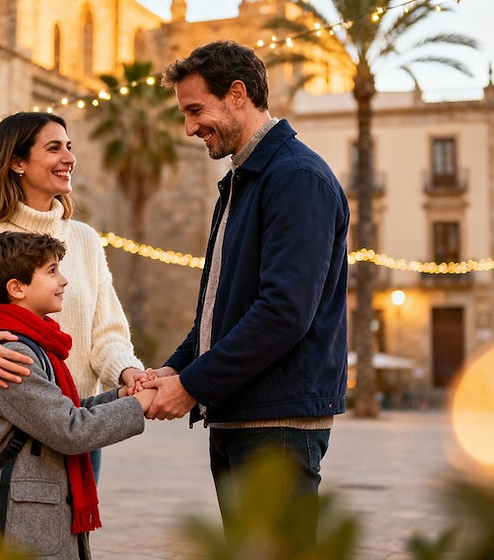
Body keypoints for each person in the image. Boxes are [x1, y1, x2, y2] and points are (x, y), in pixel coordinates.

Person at [143, 40, 349, 544]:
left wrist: (192, 386)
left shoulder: (296, 179)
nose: (190, 128)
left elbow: (283, 313)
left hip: (276, 425)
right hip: (241, 418)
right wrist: (174, 368)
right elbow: (219, 307)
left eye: (195, 110)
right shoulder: (245, 181)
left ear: (237, 94)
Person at [0, 112, 145, 481]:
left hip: (81, 421)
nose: (69, 158)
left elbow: (107, 335)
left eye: (69, 147)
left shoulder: (85, 240)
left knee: (74, 537)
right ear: (17, 162)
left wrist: (127, 370)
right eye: (54, 148)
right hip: (8, 434)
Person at [0, 230, 156, 558]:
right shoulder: (12, 353)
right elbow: (70, 429)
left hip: (34, 520)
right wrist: (140, 403)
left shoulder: (35, 345)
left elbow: (66, 409)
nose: (63, 280)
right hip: (16, 525)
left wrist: (122, 394)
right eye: (51, 271)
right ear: (16, 288)